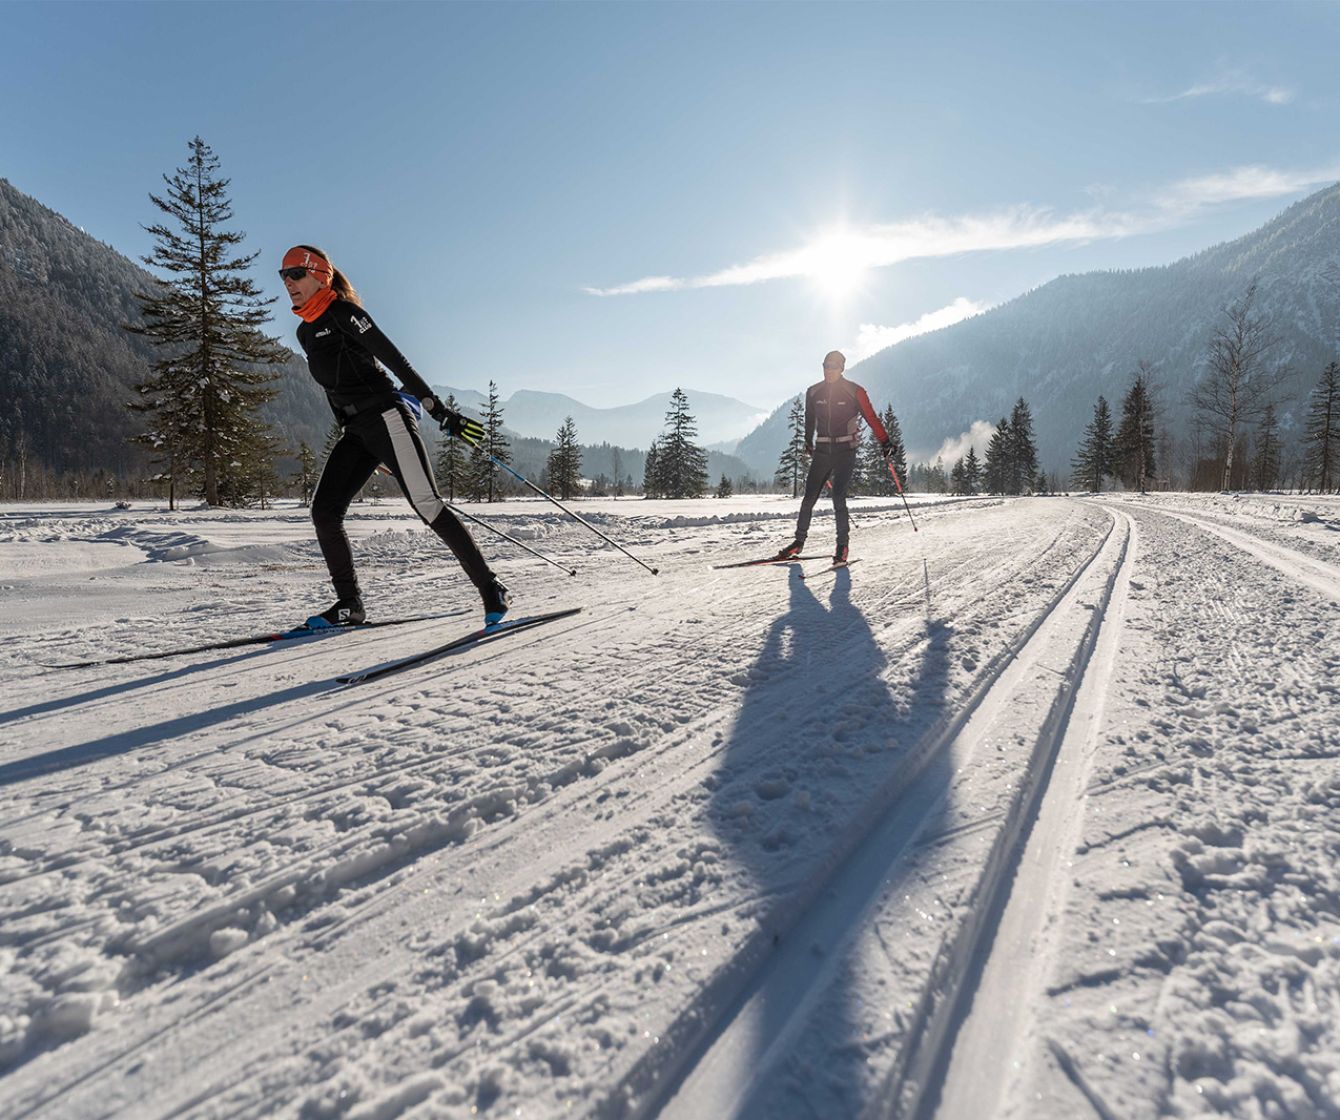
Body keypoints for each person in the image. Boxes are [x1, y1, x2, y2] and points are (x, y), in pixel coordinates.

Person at [279, 245, 510, 628]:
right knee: (325, 511)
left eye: (296, 274)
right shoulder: (305, 332)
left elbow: (395, 361)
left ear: (320, 275)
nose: (289, 282)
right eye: (283, 275)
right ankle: (349, 605)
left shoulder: (345, 314)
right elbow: (334, 389)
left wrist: (438, 411)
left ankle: (491, 588)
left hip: (387, 416)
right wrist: (364, 448)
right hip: (357, 431)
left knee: (427, 504)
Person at [776, 350, 891, 564]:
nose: (829, 370)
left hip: (845, 450)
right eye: (826, 366)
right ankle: (798, 543)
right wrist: (808, 442)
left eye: (833, 366)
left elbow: (871, 417)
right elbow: (809, 421)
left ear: (842, 368)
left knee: (838, 495)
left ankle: (842, 547)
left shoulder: (855, 391)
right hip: (822, 451)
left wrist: (885, 441)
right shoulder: (813, 392)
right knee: (809, 498)